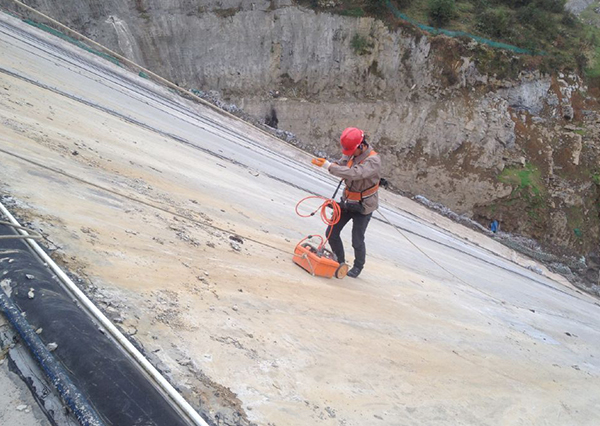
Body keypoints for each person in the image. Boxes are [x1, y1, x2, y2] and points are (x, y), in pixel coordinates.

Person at [311, 127, 382, 278]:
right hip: (347, 201)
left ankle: (358, 266)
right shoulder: (351, 154)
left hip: (364, 206)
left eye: (351, 152)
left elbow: (355, 174)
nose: (348, 155)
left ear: (361, 146)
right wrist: (331, 164)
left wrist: (329, 166)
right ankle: (340, 262)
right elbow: (342, 165)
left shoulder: (373, 161)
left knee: (357, 239)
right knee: (331, 232)